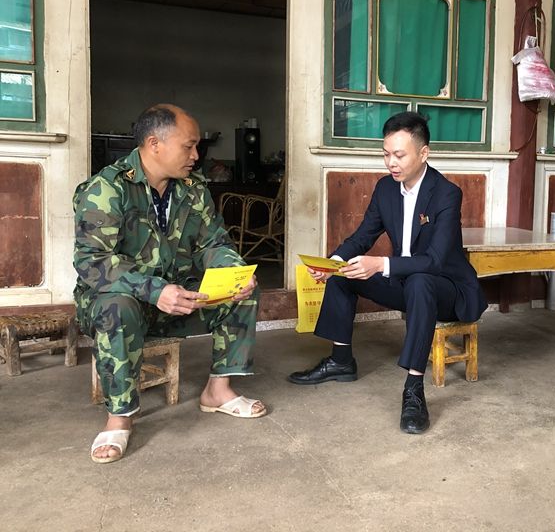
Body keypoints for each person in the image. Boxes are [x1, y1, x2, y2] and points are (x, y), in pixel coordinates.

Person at [74, 104, 266, 464]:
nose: (196, 156)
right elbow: (91, 261)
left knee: (240, 289)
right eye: (189, 146)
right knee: (117, 305)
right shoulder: (108, 188)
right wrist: (154, 290)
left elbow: (213, 243)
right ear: (154, 144)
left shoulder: (193, 189)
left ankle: (218, 390)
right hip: (122, 305)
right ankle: (120, 417)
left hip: (177, 297)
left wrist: (234, 270)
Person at [289, 111, 487, 434]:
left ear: (423, 153)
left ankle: (414, 390)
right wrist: (332, 263)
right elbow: (362, 237)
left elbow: (435, 261)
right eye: (385, 154)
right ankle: (341, 361)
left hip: (448, 290)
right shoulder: (385, 189)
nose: (391, 163)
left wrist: (380, 264)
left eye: (399, 155)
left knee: (421, 281)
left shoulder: (446, 193)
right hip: (405, 282)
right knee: (344, 273)